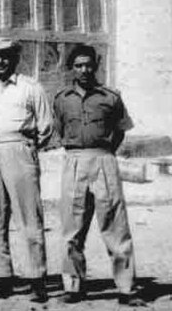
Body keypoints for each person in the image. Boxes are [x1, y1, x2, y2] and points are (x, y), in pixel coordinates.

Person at [53, 44, 145, 307]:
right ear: (72, 67)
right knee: (72, 227)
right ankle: (73, 286)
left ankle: (126, 287)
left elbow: (121, 130)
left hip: (104, 159)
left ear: (96, 65)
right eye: (78, 65)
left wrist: (105, 152)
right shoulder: (61, 98)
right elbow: (59, 128)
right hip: (73, 162)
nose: (84, 70)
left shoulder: (110, 97)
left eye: (88, 64)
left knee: (115, 225)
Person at [0, 37, 53, 303]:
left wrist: (25, 147)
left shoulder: (31, 87)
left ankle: (37, 279)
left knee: (29, 216)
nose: (1, 61)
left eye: (6, 55)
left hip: (20, 148)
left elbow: (45, 127)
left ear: (16, 58)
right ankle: (1, 278)